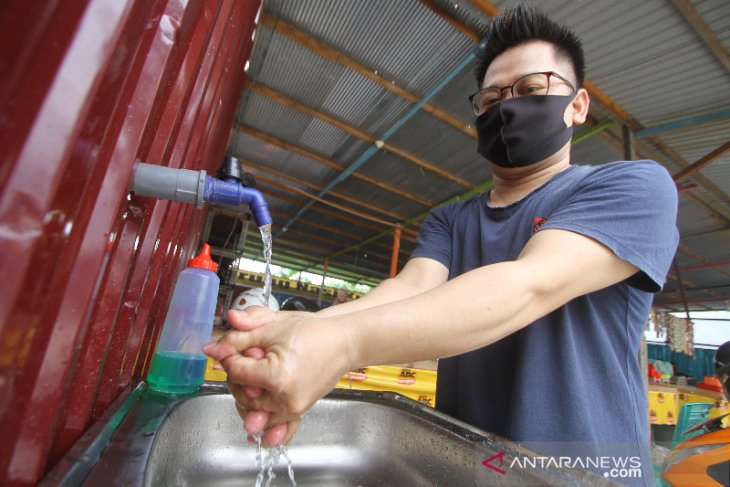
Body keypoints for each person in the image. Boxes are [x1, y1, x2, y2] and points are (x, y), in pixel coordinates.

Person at [204, 6, 678, 485]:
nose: (507, 107)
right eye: (492, 98)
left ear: (577, 105)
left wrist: (341, 345)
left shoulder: (633, 187)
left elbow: (530, 284)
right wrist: (296, 331)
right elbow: (408, 289)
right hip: (468, 470)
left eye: (532, 90)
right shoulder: (451, 219)